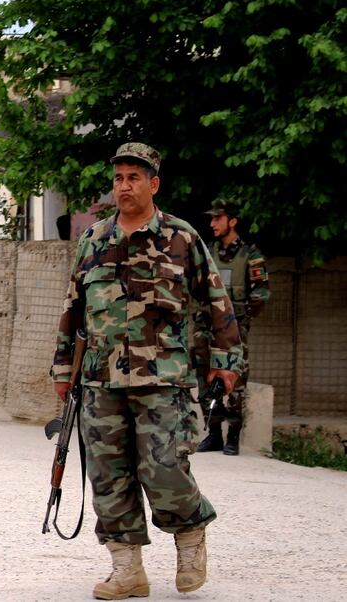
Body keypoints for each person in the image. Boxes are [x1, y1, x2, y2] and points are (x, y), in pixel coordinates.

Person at [50, 143, 243, 598]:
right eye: (118, 178)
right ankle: (127, 569)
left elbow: (218, 302)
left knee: (164, 467)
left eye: (134, 178)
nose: (124, 186)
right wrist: (63, 369)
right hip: (101, 379)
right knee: (108, 475)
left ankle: (191, 535)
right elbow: (72, 308)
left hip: (164, 379)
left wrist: (226, 361)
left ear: (153, 184)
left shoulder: (181, 237)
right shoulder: (94, 239)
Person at [197, 199, 270, 456]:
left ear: (233, 221)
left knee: (236, 381)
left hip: (236, 330)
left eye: (218, 218)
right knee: (206, 377)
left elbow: (261, 293)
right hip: (208, 330)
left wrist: (241, 320)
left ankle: (234, 436)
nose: (212, 223)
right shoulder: (208, 253)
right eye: (212, 218)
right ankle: (214, 433)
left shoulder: (250, 255)